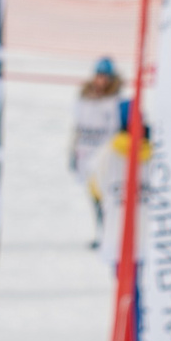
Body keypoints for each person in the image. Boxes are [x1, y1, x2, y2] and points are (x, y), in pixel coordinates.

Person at [69, 57, 123, 247]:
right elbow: (77, 127)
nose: (101, 81)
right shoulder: (84, 98)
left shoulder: (115, 101)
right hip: (86, 156)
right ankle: (102, 234)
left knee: (107, 199)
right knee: (94, 199)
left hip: (105, 159)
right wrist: (72, 152)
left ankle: (110, 236)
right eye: (99, 76)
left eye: (105, 77)